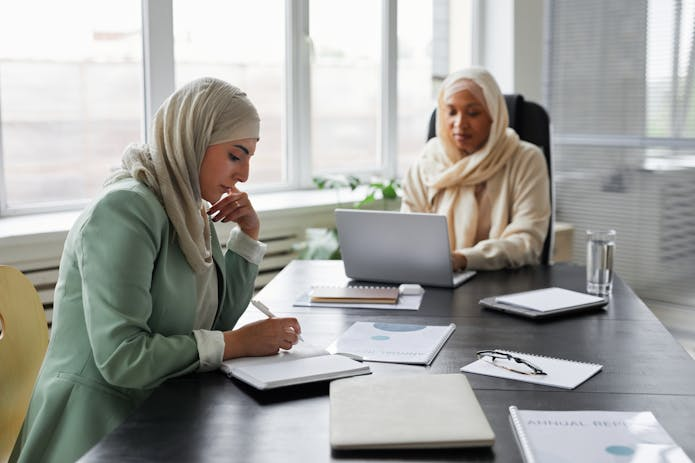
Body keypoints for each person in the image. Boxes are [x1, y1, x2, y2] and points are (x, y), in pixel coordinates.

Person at [10, 77, 302, 463]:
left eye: (250, 157)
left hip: (159, 408)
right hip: (98, 430)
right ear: (194, 140)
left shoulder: (188, 207)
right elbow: (122, 358)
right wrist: (238, 344)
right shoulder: (125, 210)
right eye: (236, 155)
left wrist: (247, 236)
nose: (244, 175)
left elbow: (219, 321)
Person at [401, 66, 550, 271]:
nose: (460, 124)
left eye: (473, 113)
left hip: (503, 285)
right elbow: (407, 231)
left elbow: (526, 241)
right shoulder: (428, 161)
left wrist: (463, 259)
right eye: (451, 112)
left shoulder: (526, 159)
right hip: (436, 280)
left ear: (494, 116)